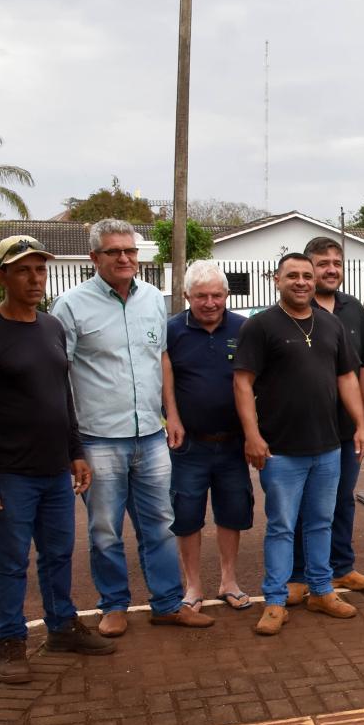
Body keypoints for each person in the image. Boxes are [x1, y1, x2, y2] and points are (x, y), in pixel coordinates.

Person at [0, 236, 113, 684]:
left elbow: (63, 397)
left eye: (40, 269)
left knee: (58, 553)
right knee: (10, 561)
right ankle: (10, 641)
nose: (34, 278)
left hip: (55, 471)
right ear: (0, 276)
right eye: (22, 270)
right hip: (8, 474)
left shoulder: (51, 327)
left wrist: (75, 453)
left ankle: (61, 627)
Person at [52, 218, 211, 636]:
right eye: (114, 251)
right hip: (98, 438)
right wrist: (71, 442)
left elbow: (161, 359)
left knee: (160, 524)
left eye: (130, 251)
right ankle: (114, 604)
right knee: (105, 530)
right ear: (94, 257)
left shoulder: (153, 300)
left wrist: (171, 414)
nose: (124, 258)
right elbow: (58, 373)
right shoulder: (70, 306)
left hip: (151, 436)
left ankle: (167, 603)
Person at [234, 253, 364, 635]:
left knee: (321, 523)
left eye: (307, 276)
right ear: (276, 279)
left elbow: (347, 378)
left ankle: (322, 591)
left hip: (328, 446)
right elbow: (242, 382)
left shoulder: (331, 324)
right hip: (280, 451)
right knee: (281, 527)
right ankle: (275, 602)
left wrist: (360, 424)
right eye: (292, 275)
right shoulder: (260, 326)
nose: (301, 282)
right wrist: (252, 435)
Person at [285, 236, 364, 604]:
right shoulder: (292, 310)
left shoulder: (353, 310)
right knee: (302, 505)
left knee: (343, 500)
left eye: (336, 263)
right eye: (323, 263)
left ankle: (341, 566)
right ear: (309, 267)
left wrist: (362, 419)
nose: (331, 270)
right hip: (304, 429)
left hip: (345, 429)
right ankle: (297, 574)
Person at [161, 259, 252, 612]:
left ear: (227, 294)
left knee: (233, 512)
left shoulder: (244, 329)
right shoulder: (172, 331)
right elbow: (164, 380)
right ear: (187, 296)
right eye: (201, 296)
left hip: (233, 444)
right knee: (186, 515)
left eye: (216, 295)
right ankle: (193, 585)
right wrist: (171, 416)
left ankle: (229, 580)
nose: (210, 303)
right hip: (189, 446)